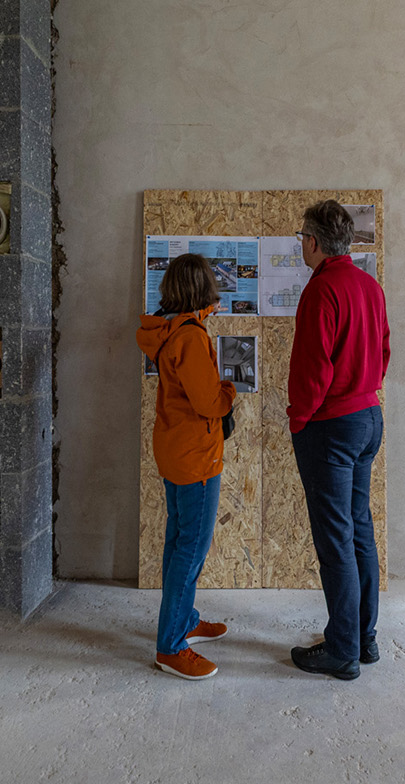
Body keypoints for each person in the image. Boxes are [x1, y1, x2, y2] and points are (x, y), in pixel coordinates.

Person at [286, 200, 391, 680]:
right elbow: (383, 351)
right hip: (369, 416)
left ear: (312, 241)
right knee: (358, 528)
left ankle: (343, 650)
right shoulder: (369, 286)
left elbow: (313, 368)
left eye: (301, 238)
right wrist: (363, 389)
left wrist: (299, 420)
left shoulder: (321, 289)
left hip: (332, 425)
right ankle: (363, 639)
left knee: (335, 539)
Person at [137, 254, 236, 680]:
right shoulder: (191, 337)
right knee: (190, 549)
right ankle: (171, 646)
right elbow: (209, 402)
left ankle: (184, 619)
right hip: (197, 457)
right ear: (202, 288)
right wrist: (229, 390)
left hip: (176, 450)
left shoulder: (172, 330)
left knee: (179, 541)